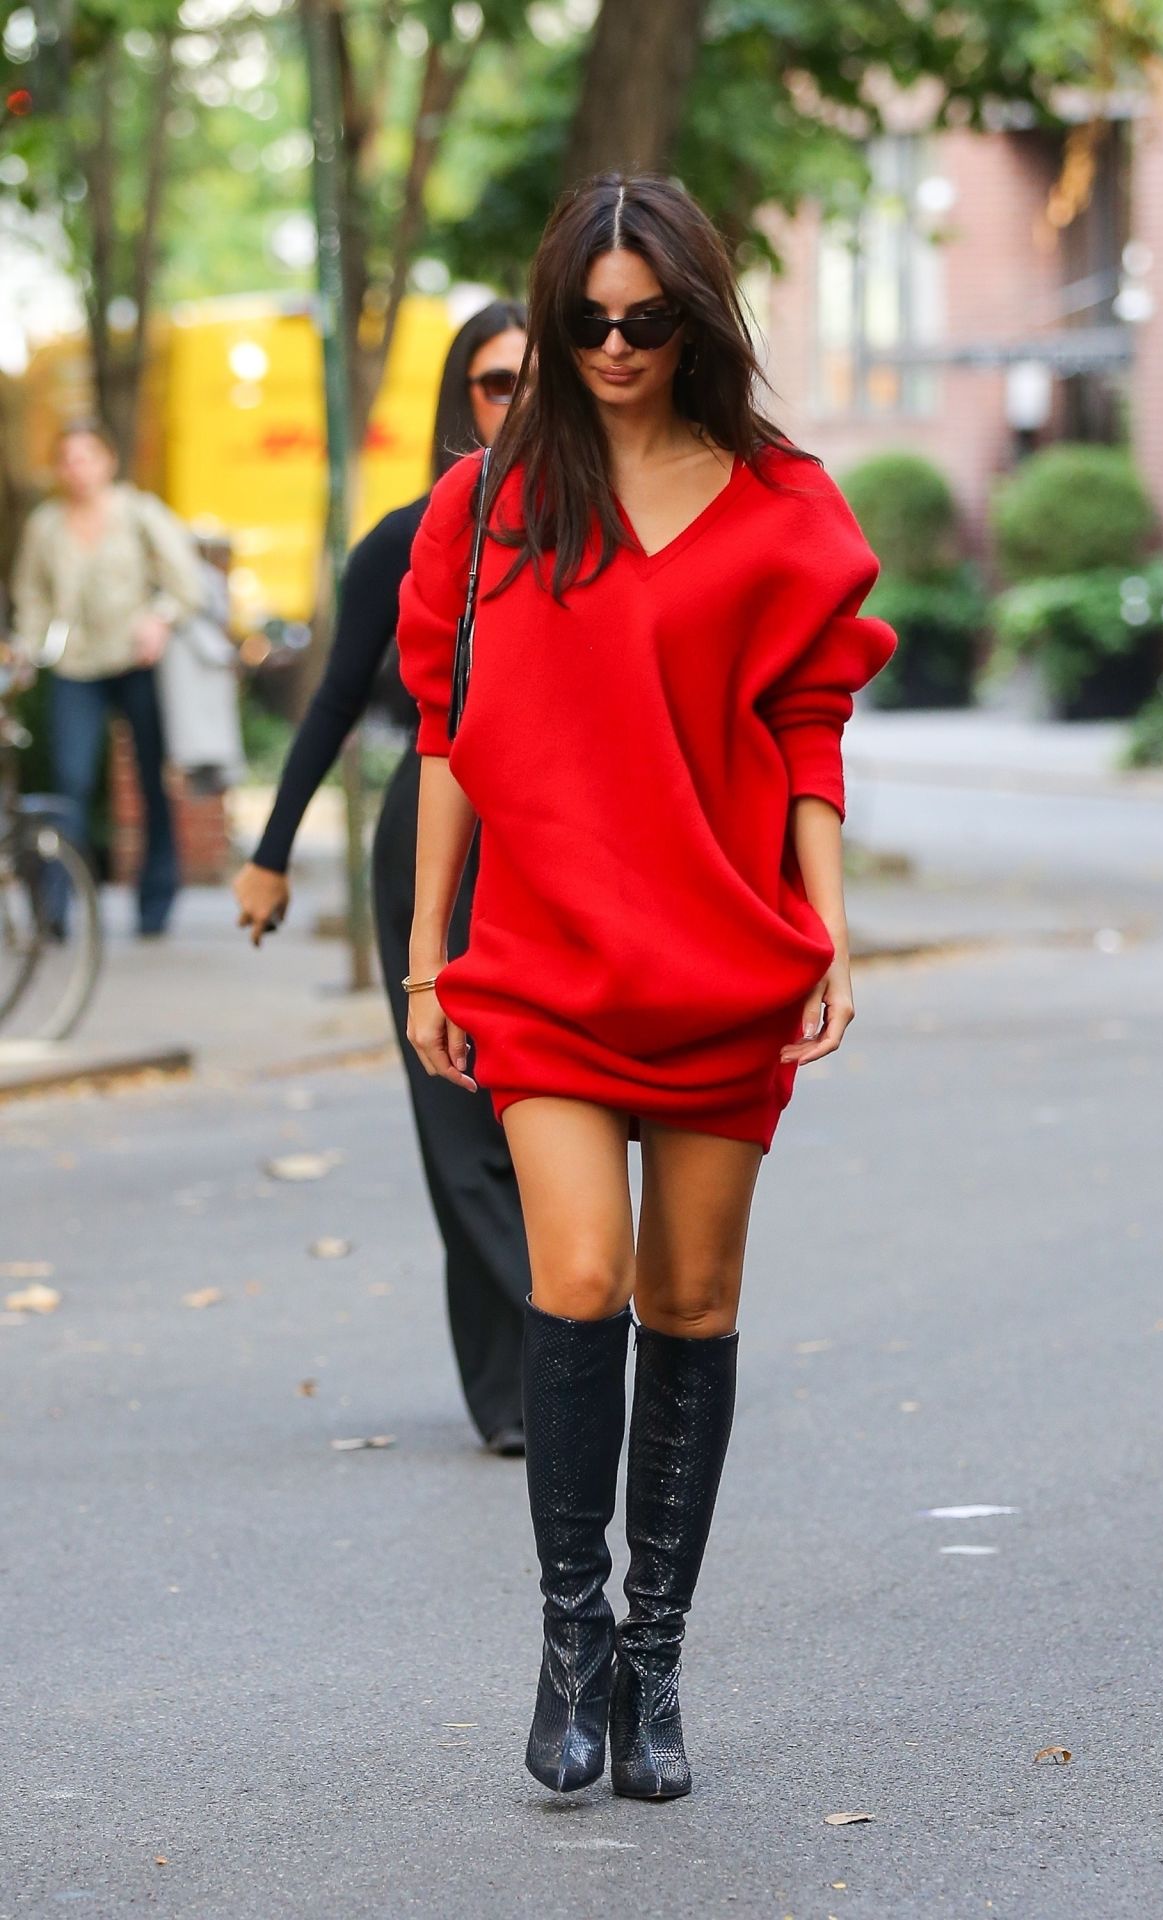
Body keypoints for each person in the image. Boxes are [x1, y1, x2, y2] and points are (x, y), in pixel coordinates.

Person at [397, 175, 896, 1800]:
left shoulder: (774, 503)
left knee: (691, 1300)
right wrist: (424, 960)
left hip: (723, 951)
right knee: (583, 1270)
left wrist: (829, 935)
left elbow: (811, 727)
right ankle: (568, 1648)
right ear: (556, 315)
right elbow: (450, 736)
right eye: (587, 320)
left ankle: (655, 1661)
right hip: (539, 957)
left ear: (697, 319)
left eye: (647, 321)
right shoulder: (492, 508)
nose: (613, 346)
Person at [233, 302, 532, 1457]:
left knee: (541, 1104)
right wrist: (267, 855)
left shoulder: (592, 527)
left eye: (530, 380)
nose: (515, 400)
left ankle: (551, 1355)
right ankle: (519, 1390)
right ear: (462, 395)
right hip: (433, 830)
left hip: (551, 831)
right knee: (455, 1118)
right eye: (494, 382)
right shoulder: (406, 540)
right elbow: (333, 701)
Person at [11, 422, 203, 936]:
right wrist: (27, 651)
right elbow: (31, 596)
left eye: (86, 457)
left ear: (108, 461)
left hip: (136, 661)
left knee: (149, 780)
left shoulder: (139, 513)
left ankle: (156, 902)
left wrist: (159, 617)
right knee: (70, 781)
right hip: (74, 664)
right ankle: (58, 908)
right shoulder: (45, 525)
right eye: (67, 459)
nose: (77, 469)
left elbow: (187, 582)